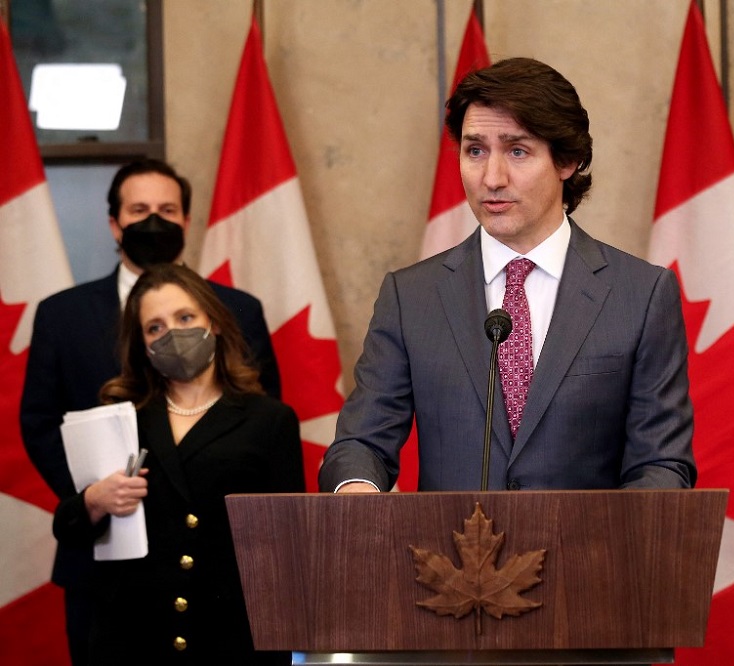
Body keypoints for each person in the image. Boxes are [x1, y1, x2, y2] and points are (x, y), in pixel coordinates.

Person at [319, 57, 695, 494]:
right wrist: (358, 491)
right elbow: (360, 443)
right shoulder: (411, 297)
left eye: (517, 151)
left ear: (567, 160)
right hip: (452, 540)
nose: (492, 178)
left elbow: (662, 464)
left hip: (589, 540)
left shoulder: (641, 295)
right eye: (475, 151)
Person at [19, 158, 281, 665]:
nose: (154, 221)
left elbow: (260, 426)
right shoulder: (62, 314)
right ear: (114, 223)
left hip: (217, 575)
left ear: (187, 220)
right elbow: (39, 423)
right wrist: (94, 498)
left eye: (167, 209)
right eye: (139, 210)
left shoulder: (239, 309)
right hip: (102, 564)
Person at [52, 263, 304, 664]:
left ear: (213, 323)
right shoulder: (121, 417)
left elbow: (289, 545)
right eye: (155, 327)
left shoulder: (270, 420)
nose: (171, 333)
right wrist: (95, 500)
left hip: (228, 637)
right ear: (142, 344)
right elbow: (67, 527)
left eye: (185, 318)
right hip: (133, 638)